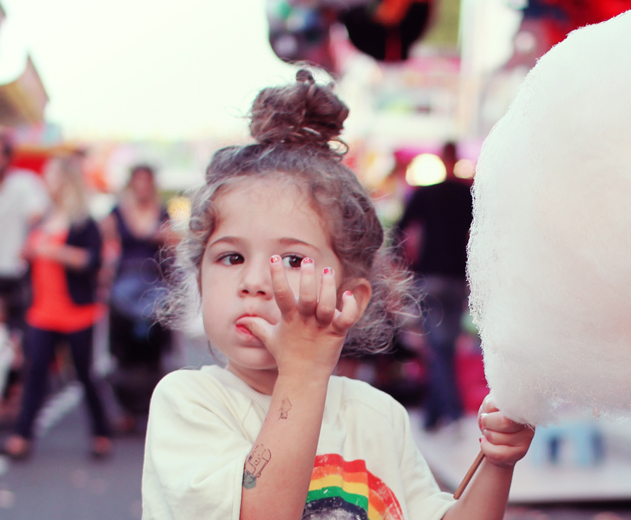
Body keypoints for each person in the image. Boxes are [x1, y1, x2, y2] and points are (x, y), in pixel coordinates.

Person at [142, 70, 534, 520]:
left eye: (291, 260)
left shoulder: (376, 416)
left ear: (350, 297)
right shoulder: (191, 402)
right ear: (199, 281)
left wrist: (498, 463)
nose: (254, 281)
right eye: (230, 258)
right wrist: (303, 369)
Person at [3, 154, 112, 459]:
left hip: (77, 313)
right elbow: (27, 256)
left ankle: (101, 431)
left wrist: (51, 250)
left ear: (65, 182)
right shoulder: (41, 219)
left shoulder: (83, 223)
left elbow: (92, 261)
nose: (46, 185)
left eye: (51, 178)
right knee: (34, 373)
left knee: (85, 375)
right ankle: (22, 437)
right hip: (42, 311)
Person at [395, 142, 473, 431]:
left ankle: (446, 414)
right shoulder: (468, 195)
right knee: (443, 346)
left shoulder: (426, 193)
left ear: (442, 159)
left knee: (438, 347)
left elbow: (399, 231)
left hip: (429, 278)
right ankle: (440, 414)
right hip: (455, 279)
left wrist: (405, 266)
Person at [101, 164, 174, 433]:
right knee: (124, 353)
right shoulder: (117, 211)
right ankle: (126, 410)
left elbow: (174, 245)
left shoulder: (162, 210)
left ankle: (151, 408)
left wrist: (165, 238)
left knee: (154, 350)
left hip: (153, 284)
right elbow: (104, 244)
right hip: (124, 288)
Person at [0, 134, 49, 345]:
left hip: (15, 274)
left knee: (17, 337)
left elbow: (40, 215)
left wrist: (30, 242)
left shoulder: (23, 183)